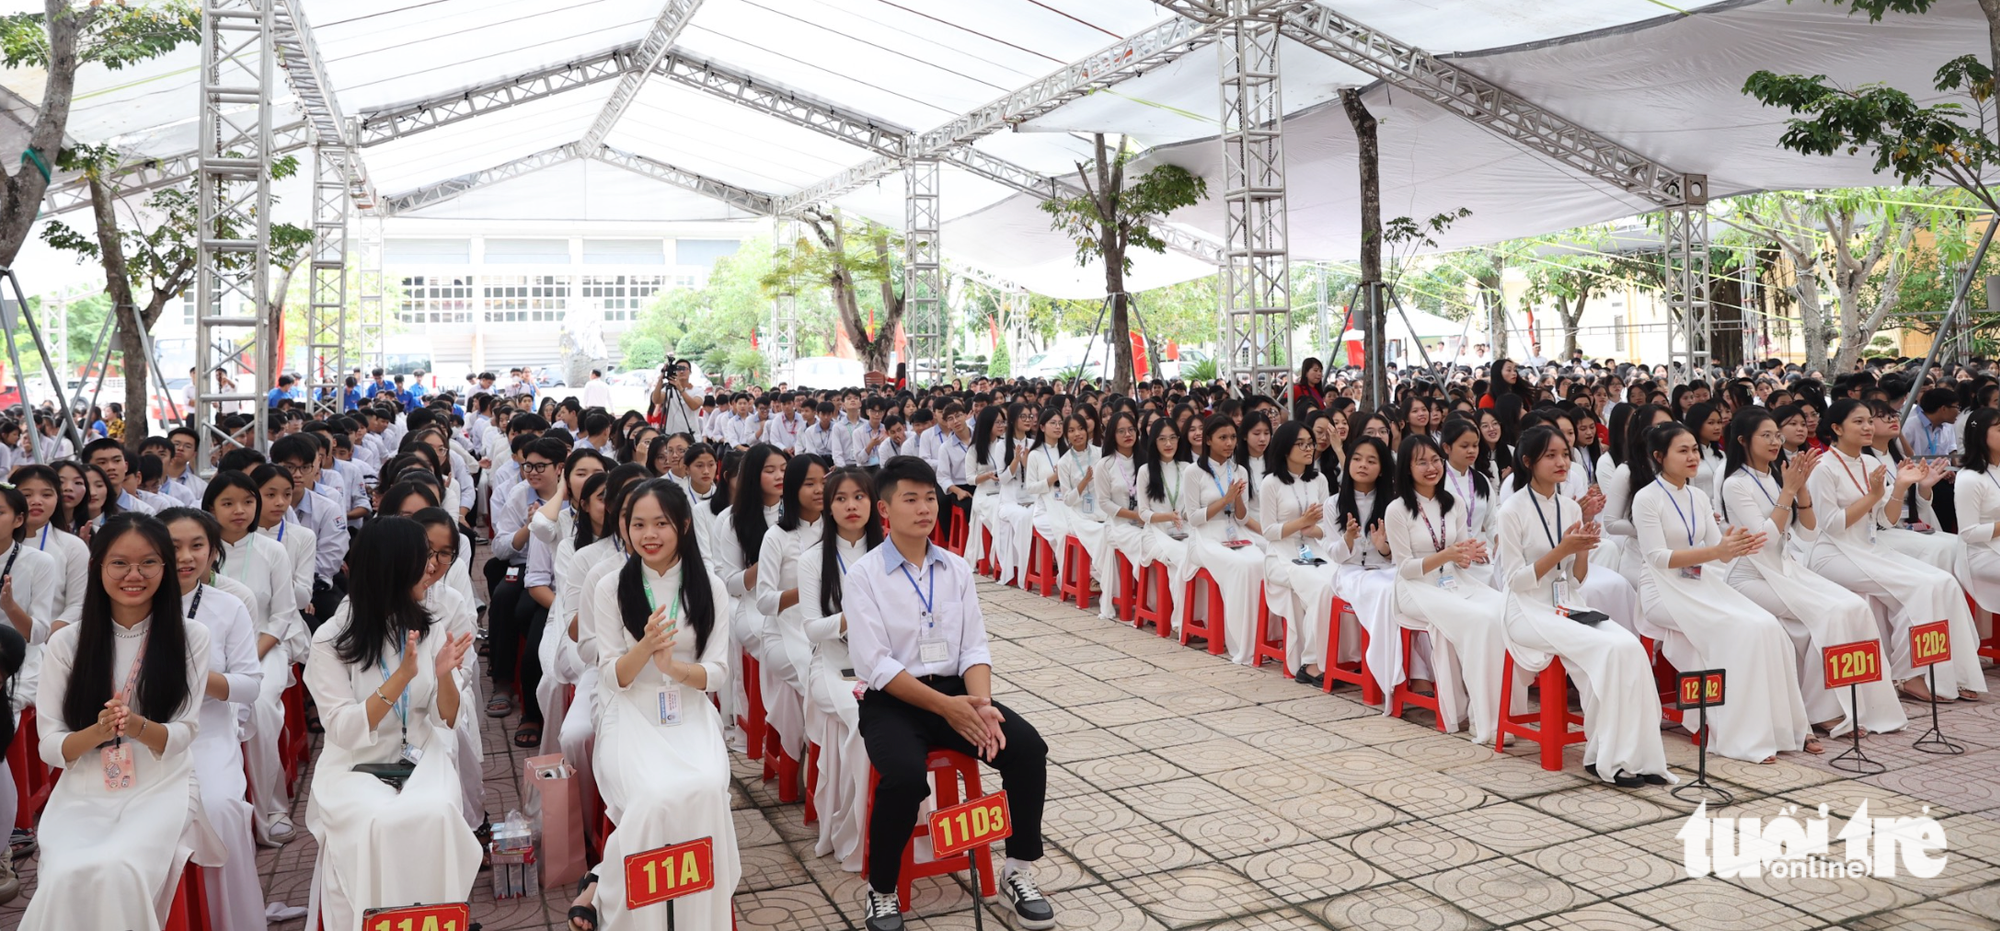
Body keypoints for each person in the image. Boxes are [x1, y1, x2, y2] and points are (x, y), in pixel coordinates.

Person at [844, 456, 1053, 931]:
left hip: (958, 695)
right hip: (894, 702)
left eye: (930, 498)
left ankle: (1018, 871)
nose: (924, 508)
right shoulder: (865, 575)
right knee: (903, 776)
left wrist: (979, 706)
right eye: (910, 499)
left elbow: (974, 646)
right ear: (885, 508)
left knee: (1026, 750)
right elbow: (876, 664)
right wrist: (948, 709)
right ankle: (882, 890)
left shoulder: (955, 568)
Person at [20, 514, 214, 931]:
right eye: (120, 563)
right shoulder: (66, 642)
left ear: (165, 567)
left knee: (119, 867)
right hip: (83, 791)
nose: (134, 575)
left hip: (161, 786)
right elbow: (50, 746)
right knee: (64, 875)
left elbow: (184, 733)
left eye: (148, 563)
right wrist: (100, 731)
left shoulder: (191, 636)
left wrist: (137, 725)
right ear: (98, 567)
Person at [303, 518, 478, 931]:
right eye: (424, 560)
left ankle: (437, 917)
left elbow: (445, 718)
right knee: (377, 823)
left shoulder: (429, 623)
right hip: (355, 764)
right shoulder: (331, 640)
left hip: (419, 752)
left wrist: (444, 675)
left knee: (435, 813)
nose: (432, 569)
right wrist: (400, 677)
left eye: (434, 558)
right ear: (393, 568)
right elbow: (344, 731)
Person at [586, 479, 740, 930]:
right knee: (653, 799)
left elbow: (717, 672)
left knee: (708, 788)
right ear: (625, 529)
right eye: (638, 525)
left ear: (685, 526)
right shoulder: (611, 586)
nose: (648, 534)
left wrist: (673, 668)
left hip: (687, 709)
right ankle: (638, 915)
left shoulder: (709, 587)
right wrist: (647, 647)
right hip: (630, 709)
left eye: (661, 523)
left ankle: (699, 918)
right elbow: (611, 676)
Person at [1494, 425, 1672, 788]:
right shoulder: (1511, 511)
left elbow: (1574, 580)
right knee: (1606, 651)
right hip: (1525, 610)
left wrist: (1580, 549)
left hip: (1566, 604)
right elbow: (1514, 581)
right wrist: (1562, 549)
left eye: (1564, 454)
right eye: (1551, 456)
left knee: (1629, 648)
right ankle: (1606, 759)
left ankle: (1640, 756)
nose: (1562, 462)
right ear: (1528, 462)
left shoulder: (1568, 507)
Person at [1630, 421, 1811, 763]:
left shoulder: (1697, 495)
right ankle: (1740, 735)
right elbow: (1657, 558)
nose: (1692, 456)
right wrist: (1718, 552)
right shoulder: (1646, 498)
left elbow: (1717, 545)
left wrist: (1740, 543)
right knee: (1739, 630)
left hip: (1698, 582)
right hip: (1661, 591)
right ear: (1659, 456)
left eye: (1694, 450)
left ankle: (1780, 727)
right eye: (1682, 451)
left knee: (1767, 625)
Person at [1718, 409, 1905, 740]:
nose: (1776, 441)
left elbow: (1807, 533)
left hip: (1787, 570)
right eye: (1767, 436)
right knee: (1829, 613)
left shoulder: (1778, 477)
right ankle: (1824, 711)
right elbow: (1763, 541)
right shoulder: (1736, 484)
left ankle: (1862, 704)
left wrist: (1800, 491)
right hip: (1751, 576)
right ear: (1743, 441)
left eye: (1777, 435)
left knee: (1854, 607)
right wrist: (1789, 491)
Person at [1809, 399, 1986, 702]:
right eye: (1859, 422)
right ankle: (1908, 674)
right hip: (1833, 553)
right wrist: (1875, 494)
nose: (1867, 427)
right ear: (1836, 429)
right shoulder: (1823, 469)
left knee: (1942, 582)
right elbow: (1832, 525)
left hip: (1869, 547)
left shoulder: (1870, 463)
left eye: (1868, 421)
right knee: (1918, 587)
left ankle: (1954, 672)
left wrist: (1900, 487)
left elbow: (1885, 520)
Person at [160, 507, 286, 931]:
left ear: (214, 552)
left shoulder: (228, 606)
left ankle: (231, 919)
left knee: (218, 808)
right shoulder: (132, 602)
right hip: (147, 739)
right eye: (174, 546)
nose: (186, 556)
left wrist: (195, 676)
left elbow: (249, 684)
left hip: (207, 732)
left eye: (197, 545)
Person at [1383, 434, 1509, 744]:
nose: (1431, 467)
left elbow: (1458, 555)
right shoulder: (1397, 509)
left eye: (1435, 460)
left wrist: (1468, 555)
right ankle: (1485, 721)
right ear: (1407, 468)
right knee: (1478, 621)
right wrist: (1447, 555)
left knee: (1502, 608)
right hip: (1415, 589)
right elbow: (1404, 568)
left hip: (1454, 580)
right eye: (1421, 462)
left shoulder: (1454, 503)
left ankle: (1506, 713)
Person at [205, 468, 307, 846]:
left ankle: (272, 808)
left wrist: (253, 652)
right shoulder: (200, 549)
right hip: (209, 651)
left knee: (262, 705)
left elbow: (282, 614)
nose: (240, 510)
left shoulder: (272, 549)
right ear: (210, 507)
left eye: (248, 501)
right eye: (228, 503)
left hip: (265, 645)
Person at [796, 466, 880, 872]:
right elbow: (812, 628)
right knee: (866, 723)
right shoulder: (813, 559)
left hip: (884, 664)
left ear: (873, 503)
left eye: (859, 497)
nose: (851, 506)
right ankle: (859, 830)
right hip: (834, 665)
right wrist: (855, 617)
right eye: (841, 498)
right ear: (828, 507)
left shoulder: (889, 550)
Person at [754, 454, 827, 768]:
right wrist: (808, 590)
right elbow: (764, 601)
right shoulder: (777, 536)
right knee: (821, 685)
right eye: (809, 483)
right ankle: (823, 761)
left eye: (824, 482)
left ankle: (831, 758)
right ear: (793, 488)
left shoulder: (837, 531)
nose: (819, 490)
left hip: (828, 630)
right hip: (783, 634)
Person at [1256, 422, 1340, 685]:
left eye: (1310, 443)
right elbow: (1268, 531)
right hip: (1280, 555)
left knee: (1340, 580)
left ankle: (1340, 655)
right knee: (1321, 587)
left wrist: (1311, 527)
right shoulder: (1270, 483)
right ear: (1284, 448)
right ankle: (1312, 663)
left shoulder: (1319, 479)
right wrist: (1301, 522)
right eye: (1301, 443)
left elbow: (1326, 528)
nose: (1308, 448)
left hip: (1314, 550)